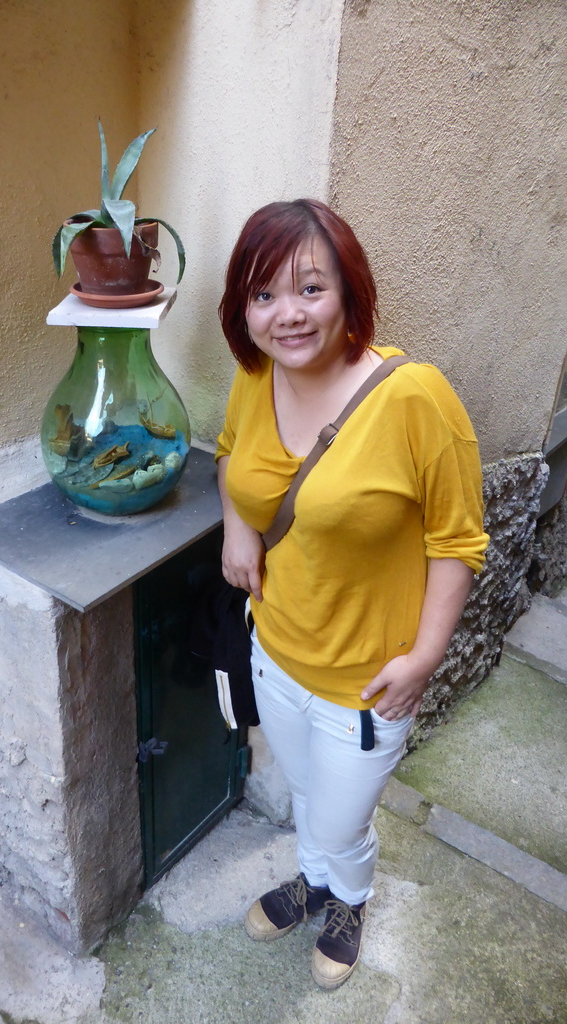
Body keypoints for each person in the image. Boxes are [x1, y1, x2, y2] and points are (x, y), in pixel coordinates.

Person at [215, 199, 488, 989]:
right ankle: (315, 880)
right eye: (263, 295)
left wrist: (427, 656)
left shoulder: (415, 399)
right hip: (276, 648)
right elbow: (234, 457)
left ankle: (349, 897)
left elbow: (457, 541)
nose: (286, 315)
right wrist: (238, 528)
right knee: (304, 793)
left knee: (341, 817)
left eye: (310, 289)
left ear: (349, 293)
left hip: (367, 683)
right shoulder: (253, 377)